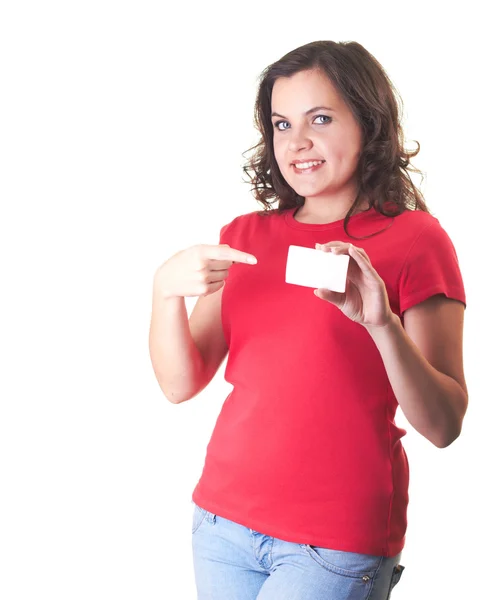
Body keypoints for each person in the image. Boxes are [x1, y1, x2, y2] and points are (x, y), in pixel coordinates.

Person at [149, 40, 468, 599]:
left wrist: (381, 324)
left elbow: (443, 425)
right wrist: (164, 292)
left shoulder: (417, 240)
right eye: (281, 123)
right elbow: (180, 384)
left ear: (368, 123)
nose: (297, 143)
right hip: (222, 525)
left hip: (334, 543)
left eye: (320, 118)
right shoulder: (246, 237)